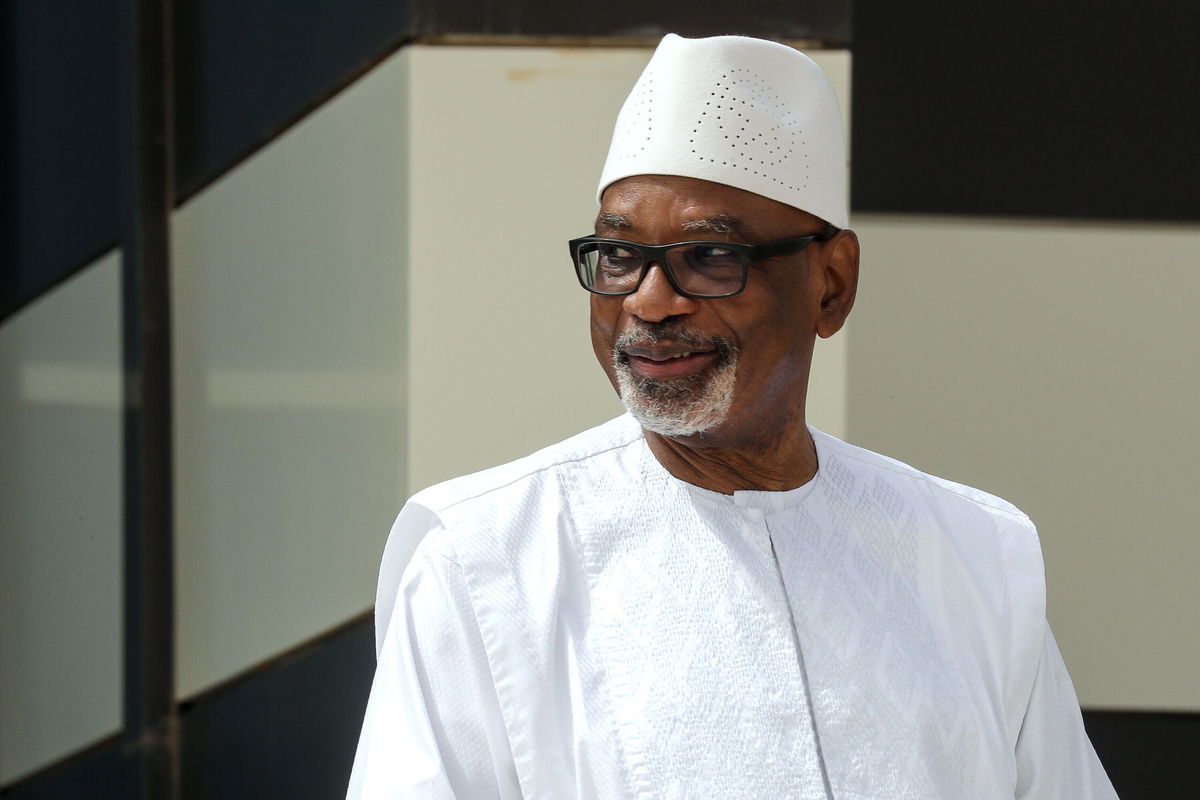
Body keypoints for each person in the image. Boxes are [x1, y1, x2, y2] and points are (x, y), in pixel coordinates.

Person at [347, 34, 1117, 799]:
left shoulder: (972, 558)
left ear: (832, 284)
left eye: (710, 259)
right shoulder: (488, 561)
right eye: (618, 257)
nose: (649, 301)